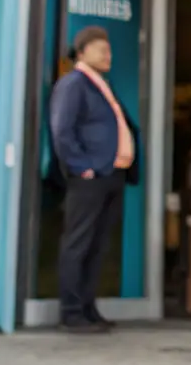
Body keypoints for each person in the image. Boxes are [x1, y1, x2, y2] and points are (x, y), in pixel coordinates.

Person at [49, 25, 138, 334]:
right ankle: (71, 313)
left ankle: (88, 309)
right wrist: (82, 167)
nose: (108, 54)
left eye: (109, 49)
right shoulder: (74, 84)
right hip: (91, 176)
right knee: (79, 243)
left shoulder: (102, 85)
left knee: (98, 246)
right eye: (102, 49)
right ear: (83, 52)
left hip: (112, 174)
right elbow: (62, 131)